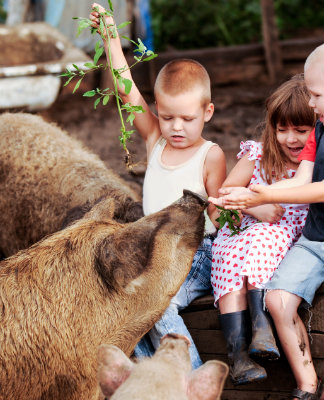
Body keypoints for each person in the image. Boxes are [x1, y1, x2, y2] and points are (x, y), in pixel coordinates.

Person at [210, 35, 324, 400]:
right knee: (277, 300)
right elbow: (303, 178)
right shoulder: (323, 130)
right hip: (314, 239)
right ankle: (309, 385)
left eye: (315, 95)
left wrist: (261, 193)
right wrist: (253, 196)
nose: (311, 104)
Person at [89, 3, 227, 370]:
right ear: (157, 110)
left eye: (187, 118)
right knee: (124, 301)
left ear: (207, 113)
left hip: (196, 251)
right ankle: (152, 379)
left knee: (156, 302)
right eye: (167, 117)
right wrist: (111, 39)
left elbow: (220, 213)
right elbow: (126, 89)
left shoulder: (210, 156)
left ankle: (190, 379)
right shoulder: (156, 140)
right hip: (152, 246)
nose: (176, 127)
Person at [210, 74, 315, 385]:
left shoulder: (315, 168)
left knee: (261, 237)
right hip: (237, 231)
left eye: (301, 130)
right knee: (228, 260)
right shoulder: (255, 156)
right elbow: (220, 204)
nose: (291, 139)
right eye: (282, 130)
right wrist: (256, 207)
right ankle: (239, 356)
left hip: (277, 242)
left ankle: (261, 327)